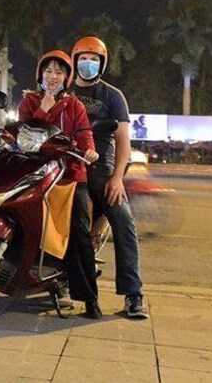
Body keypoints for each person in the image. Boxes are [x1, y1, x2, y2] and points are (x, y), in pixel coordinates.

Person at [18, 50, 102, 319]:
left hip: (69, 174)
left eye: (59, 72)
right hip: (35, 171)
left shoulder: (74, 106)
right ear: (40, 74)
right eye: (48, 71)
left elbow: (84, 133)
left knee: (79, 231)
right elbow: (25, 129)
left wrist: (89, 150)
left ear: (67, 78)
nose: (52, 77)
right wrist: (45, 104)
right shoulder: (29, 101)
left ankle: (89, 298)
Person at [69, 36, 148, 319]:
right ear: (74, 61)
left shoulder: (112, 96)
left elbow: (123, 140)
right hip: (68, 166)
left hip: (102, 170)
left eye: (93, 60)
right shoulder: (64, 90)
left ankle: (133, 294)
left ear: (101, 64)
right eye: (83, 59)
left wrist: (117, 179)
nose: (87, 64)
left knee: (124, 221)